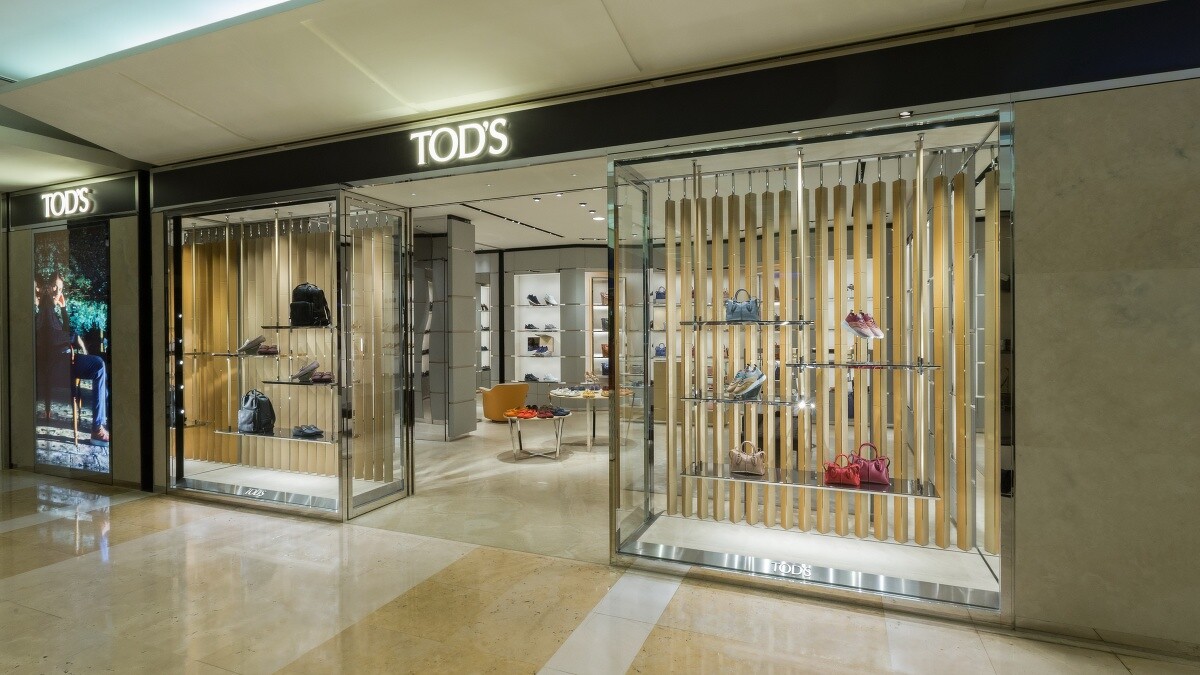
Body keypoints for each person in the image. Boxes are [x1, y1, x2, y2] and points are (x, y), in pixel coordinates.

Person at [35, 272, 109, 443]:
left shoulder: (49, 310)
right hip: (59, 365)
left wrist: (63, 309)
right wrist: (74, 338)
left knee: (101, 374)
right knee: (98, 365)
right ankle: (97, 428)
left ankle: (100, 420)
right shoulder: (43, 311)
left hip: (64, 362)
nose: (57, 292)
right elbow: (51, 337)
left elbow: (62, 332)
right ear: (45, 288)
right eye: (54, 287)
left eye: (60, 289)